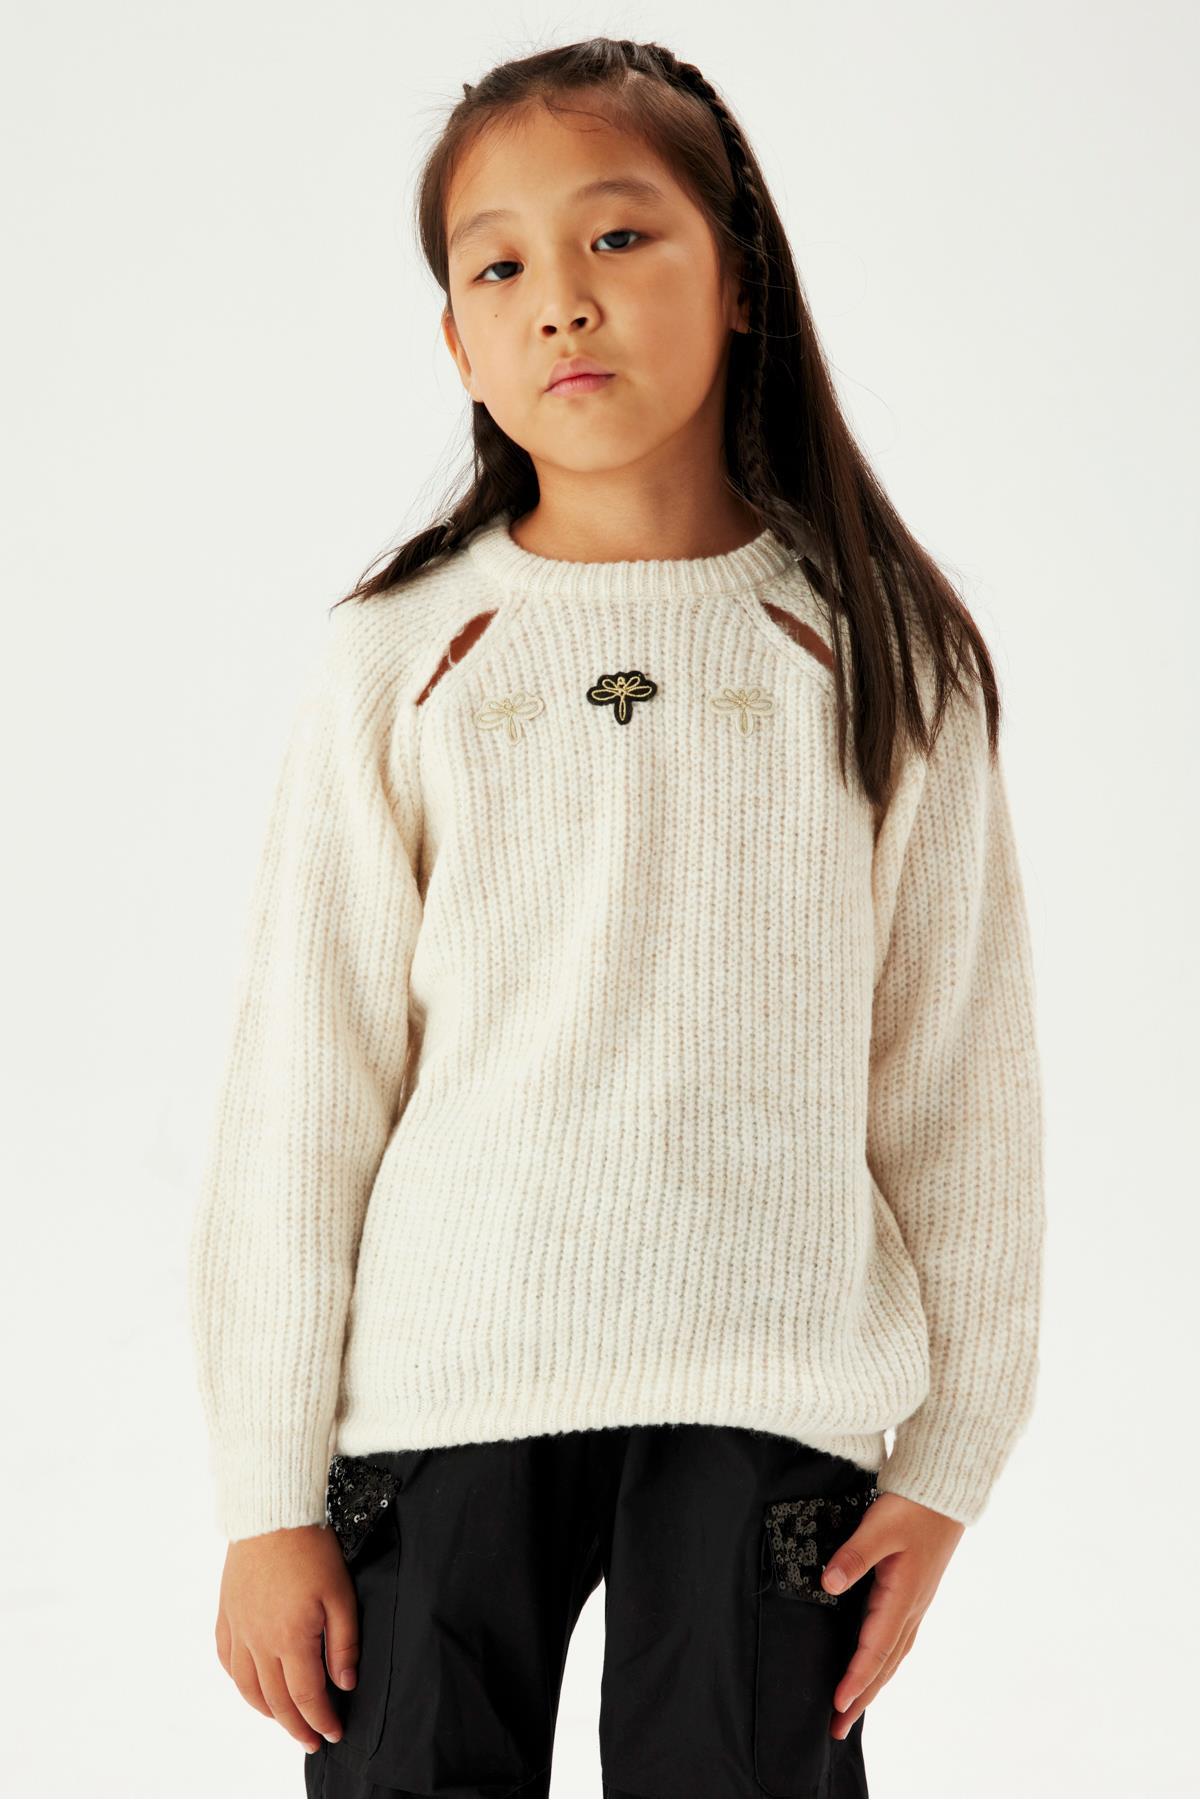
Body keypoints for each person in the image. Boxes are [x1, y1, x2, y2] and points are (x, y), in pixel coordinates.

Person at [187, 34, 1046, 1800]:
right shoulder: (400, 659)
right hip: (444, 1388)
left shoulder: (881, 655)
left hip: (773, 1389)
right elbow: (304, 1083)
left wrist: (952, 1460)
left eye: (620, 238)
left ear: (741, 280)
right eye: (497, 267)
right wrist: (266, 1496)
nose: (560, 301)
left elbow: (959, 1081)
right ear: (457, 342)